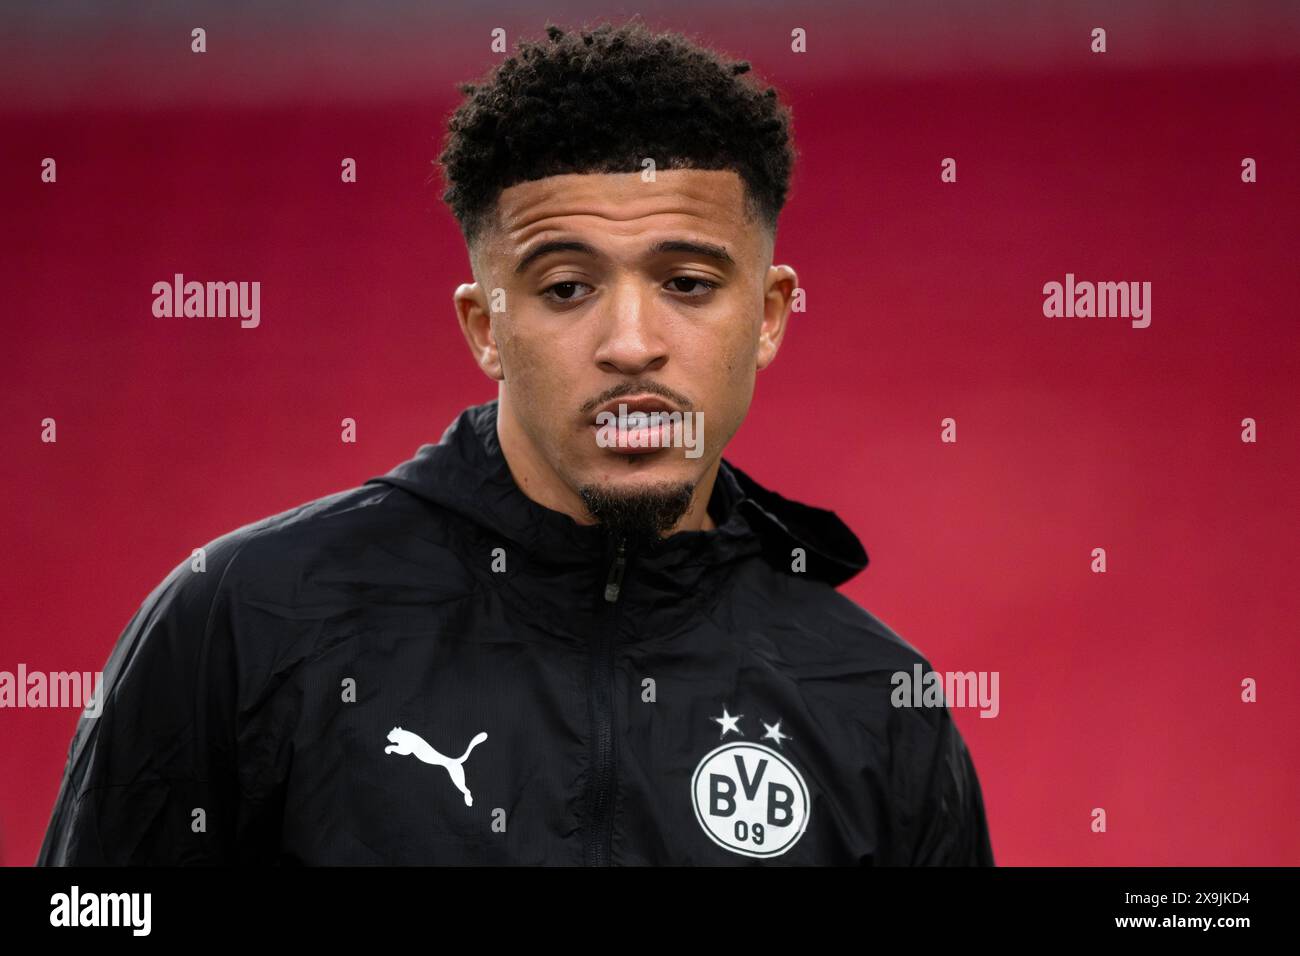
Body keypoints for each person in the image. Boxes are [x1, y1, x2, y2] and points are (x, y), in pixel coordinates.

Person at [39, 20, 993, 865]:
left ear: (772, 315)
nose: (630, 345)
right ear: (486, 326)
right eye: (567, 287)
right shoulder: (246, 622)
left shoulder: (874, 697)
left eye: (690, 283)